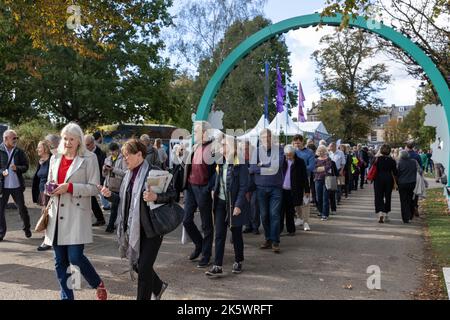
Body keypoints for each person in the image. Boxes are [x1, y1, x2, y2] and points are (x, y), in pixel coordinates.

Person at [101, 139, 176, 300]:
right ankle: (158, 286)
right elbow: (123, 200)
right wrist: (110, 196)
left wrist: (155, 196)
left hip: (151, 229)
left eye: (127, 155)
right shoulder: (128, 175)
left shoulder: (153, 173)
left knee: (143, 268)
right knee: (137, 265)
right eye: (123, 155)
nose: (125, 159)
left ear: (139, 154)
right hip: (133, 229)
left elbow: (171, 195)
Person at [44, 123, 107, 300]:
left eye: (72, 139)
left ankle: (97, 283)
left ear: (79, 140)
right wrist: (49, 189)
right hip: (56, 214)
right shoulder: (55, 157)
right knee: (59, 261)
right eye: (65, 138)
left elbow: (94, 188)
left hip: (77, 215)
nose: (68, 142)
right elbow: (49, 181)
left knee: (75, 257)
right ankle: (67, 297)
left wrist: (70, 187)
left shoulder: (90, 158)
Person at [206, 137, 248, 277]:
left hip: (233, 203)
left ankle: (238, 260)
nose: (220, 147)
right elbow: (216, 179)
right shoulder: (220, 161)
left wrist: (238, 205)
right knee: (219, 234)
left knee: (236, 233)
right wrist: (213, 188)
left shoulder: (239, 163)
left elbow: (243, 186)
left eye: (223, 145)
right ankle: (217, 265)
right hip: (220, 202)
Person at [182, 121, 216, 268]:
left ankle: (206, 255)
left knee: (206, 224)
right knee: (186, 220)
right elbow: (188, 166)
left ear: (204, 132)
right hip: (191, 187)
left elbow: (217, 170)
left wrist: (209, 187)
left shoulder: (214, 147)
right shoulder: (195, 146)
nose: (194, 134)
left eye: (196, 132)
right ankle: (199, 244)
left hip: (204, 188)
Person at [249, 129, 284, 253]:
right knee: (264, 215)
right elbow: (252, 168)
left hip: (276, 187)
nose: (266, 139)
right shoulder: (257, 151)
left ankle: (275, 241)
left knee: (274, 214)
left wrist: (261, 165)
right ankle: (268, 238)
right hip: (261, 188)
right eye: (264, 137)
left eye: (268, 137)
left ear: (272, 138)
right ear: (260, 139)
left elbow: (276, 165)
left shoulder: (279, 149)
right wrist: (266, 166)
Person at [0, 129, 31, 242]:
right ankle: (1, 233)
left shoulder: (19, 151)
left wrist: (17, 168)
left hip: (17, 186)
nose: (15, 140)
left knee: (22, 208)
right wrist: (2, 171)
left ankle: (26, 228)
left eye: (16, 138)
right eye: (13, 138)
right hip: (2, 186)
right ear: (6, 138)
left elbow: (26, 166)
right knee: (0, 210)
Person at [280, 145, 310, 235]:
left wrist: (307, 190)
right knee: (280, 211)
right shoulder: (282, 161)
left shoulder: (300, 162)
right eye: (286, 155)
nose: (288, 157)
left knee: (290, 211)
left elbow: (305, 176)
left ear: (293, 153)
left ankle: (291, 230)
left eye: (290, 155)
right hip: (282, 189)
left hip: (294, 190)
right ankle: (279, 229)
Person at [32, 140, 52, 251]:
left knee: (46, 215)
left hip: (47, 192)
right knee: (46, 215)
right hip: (41, 192)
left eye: (39, 147)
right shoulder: (41, 161)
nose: (37, 149)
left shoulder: (51, 160)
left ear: (45, 148)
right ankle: (48, 237)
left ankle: (47, 242)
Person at [102, 142, 127, 233]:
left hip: (118, 186)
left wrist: (113, 169)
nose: (112, 153)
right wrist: (104, 170)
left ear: (118, 150)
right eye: (111, 151)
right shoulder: (107, 159)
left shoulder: (123, 159)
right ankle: (116, 224)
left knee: (114, 207)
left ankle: (110, 226)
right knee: (114, 207)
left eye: (114, 151)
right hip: (109, 185)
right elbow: (104, 175)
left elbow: (124, 173)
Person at [292, 135, 315, 230]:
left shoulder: (309, 152)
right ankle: (299, 217)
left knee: (305, 201)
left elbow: (311, 166)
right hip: (294, 180)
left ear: (302, 142)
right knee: (296, 200)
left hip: (306, 179)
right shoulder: (293, 152)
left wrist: (300, 169)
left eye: (298, 142)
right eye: (295, 143)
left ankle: (306, 222)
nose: (297, 144)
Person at [372, 144, 398, 223]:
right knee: (388, 196)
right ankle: (386, 214)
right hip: (388, 179)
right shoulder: (392, 160)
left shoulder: (377, 159)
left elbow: (372, 167)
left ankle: (380, 213)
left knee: (378, 196)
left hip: (378, 179)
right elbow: (395, 172)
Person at [85, 135, 106, 226]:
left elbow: (102, 169)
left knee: (92, 200)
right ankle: (100, 218)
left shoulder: (100, 153)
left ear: (93, 143)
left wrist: (100, 182)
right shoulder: (84, 152)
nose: (86, 147)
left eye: (88, 145)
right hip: (86, 179)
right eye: (84, 145)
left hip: (95, 180)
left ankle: (100, 218)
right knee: (91, 200)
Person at [242, 141, 260, 235]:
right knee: (246, 206)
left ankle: (255, 226)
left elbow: (257, 169)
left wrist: (251, 170)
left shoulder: (256, 158)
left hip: (255, 186)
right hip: (244, 187)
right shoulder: (240, 159)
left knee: (254, 206)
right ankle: (247, 225)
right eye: (244, 149)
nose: (246, 151)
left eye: (247, 149)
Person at [397, 150, 418, 223]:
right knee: (410, 199)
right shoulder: (413, 162)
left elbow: (397, 173)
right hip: (412, 183)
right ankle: (410, 215)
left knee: (403, 200)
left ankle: (405, 217)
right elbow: (419, 171)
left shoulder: (399, 163)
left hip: (402, 183)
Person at [314, 145, 333, 221]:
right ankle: (321, 211)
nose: (321, 152)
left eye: (322, 150)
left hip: (327, 179)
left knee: (325, 197)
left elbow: (328, 167)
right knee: (318, 197)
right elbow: (314, 169)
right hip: (318, 179)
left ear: (325, 151)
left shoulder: (328, 159)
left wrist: (319, 168)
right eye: (319, 150)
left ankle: (325, 214)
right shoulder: (315, 159)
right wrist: (322, 168)